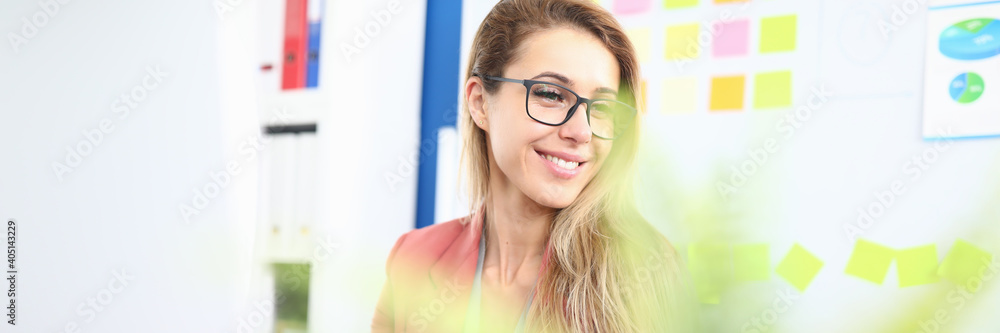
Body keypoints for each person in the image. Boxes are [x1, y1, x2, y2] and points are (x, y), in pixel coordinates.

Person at [372, 0, 694, 331]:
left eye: (604, 109)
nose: (581, 132)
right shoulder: (413, 259)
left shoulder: (646, 269)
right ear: (480, 103)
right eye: (551, 95)